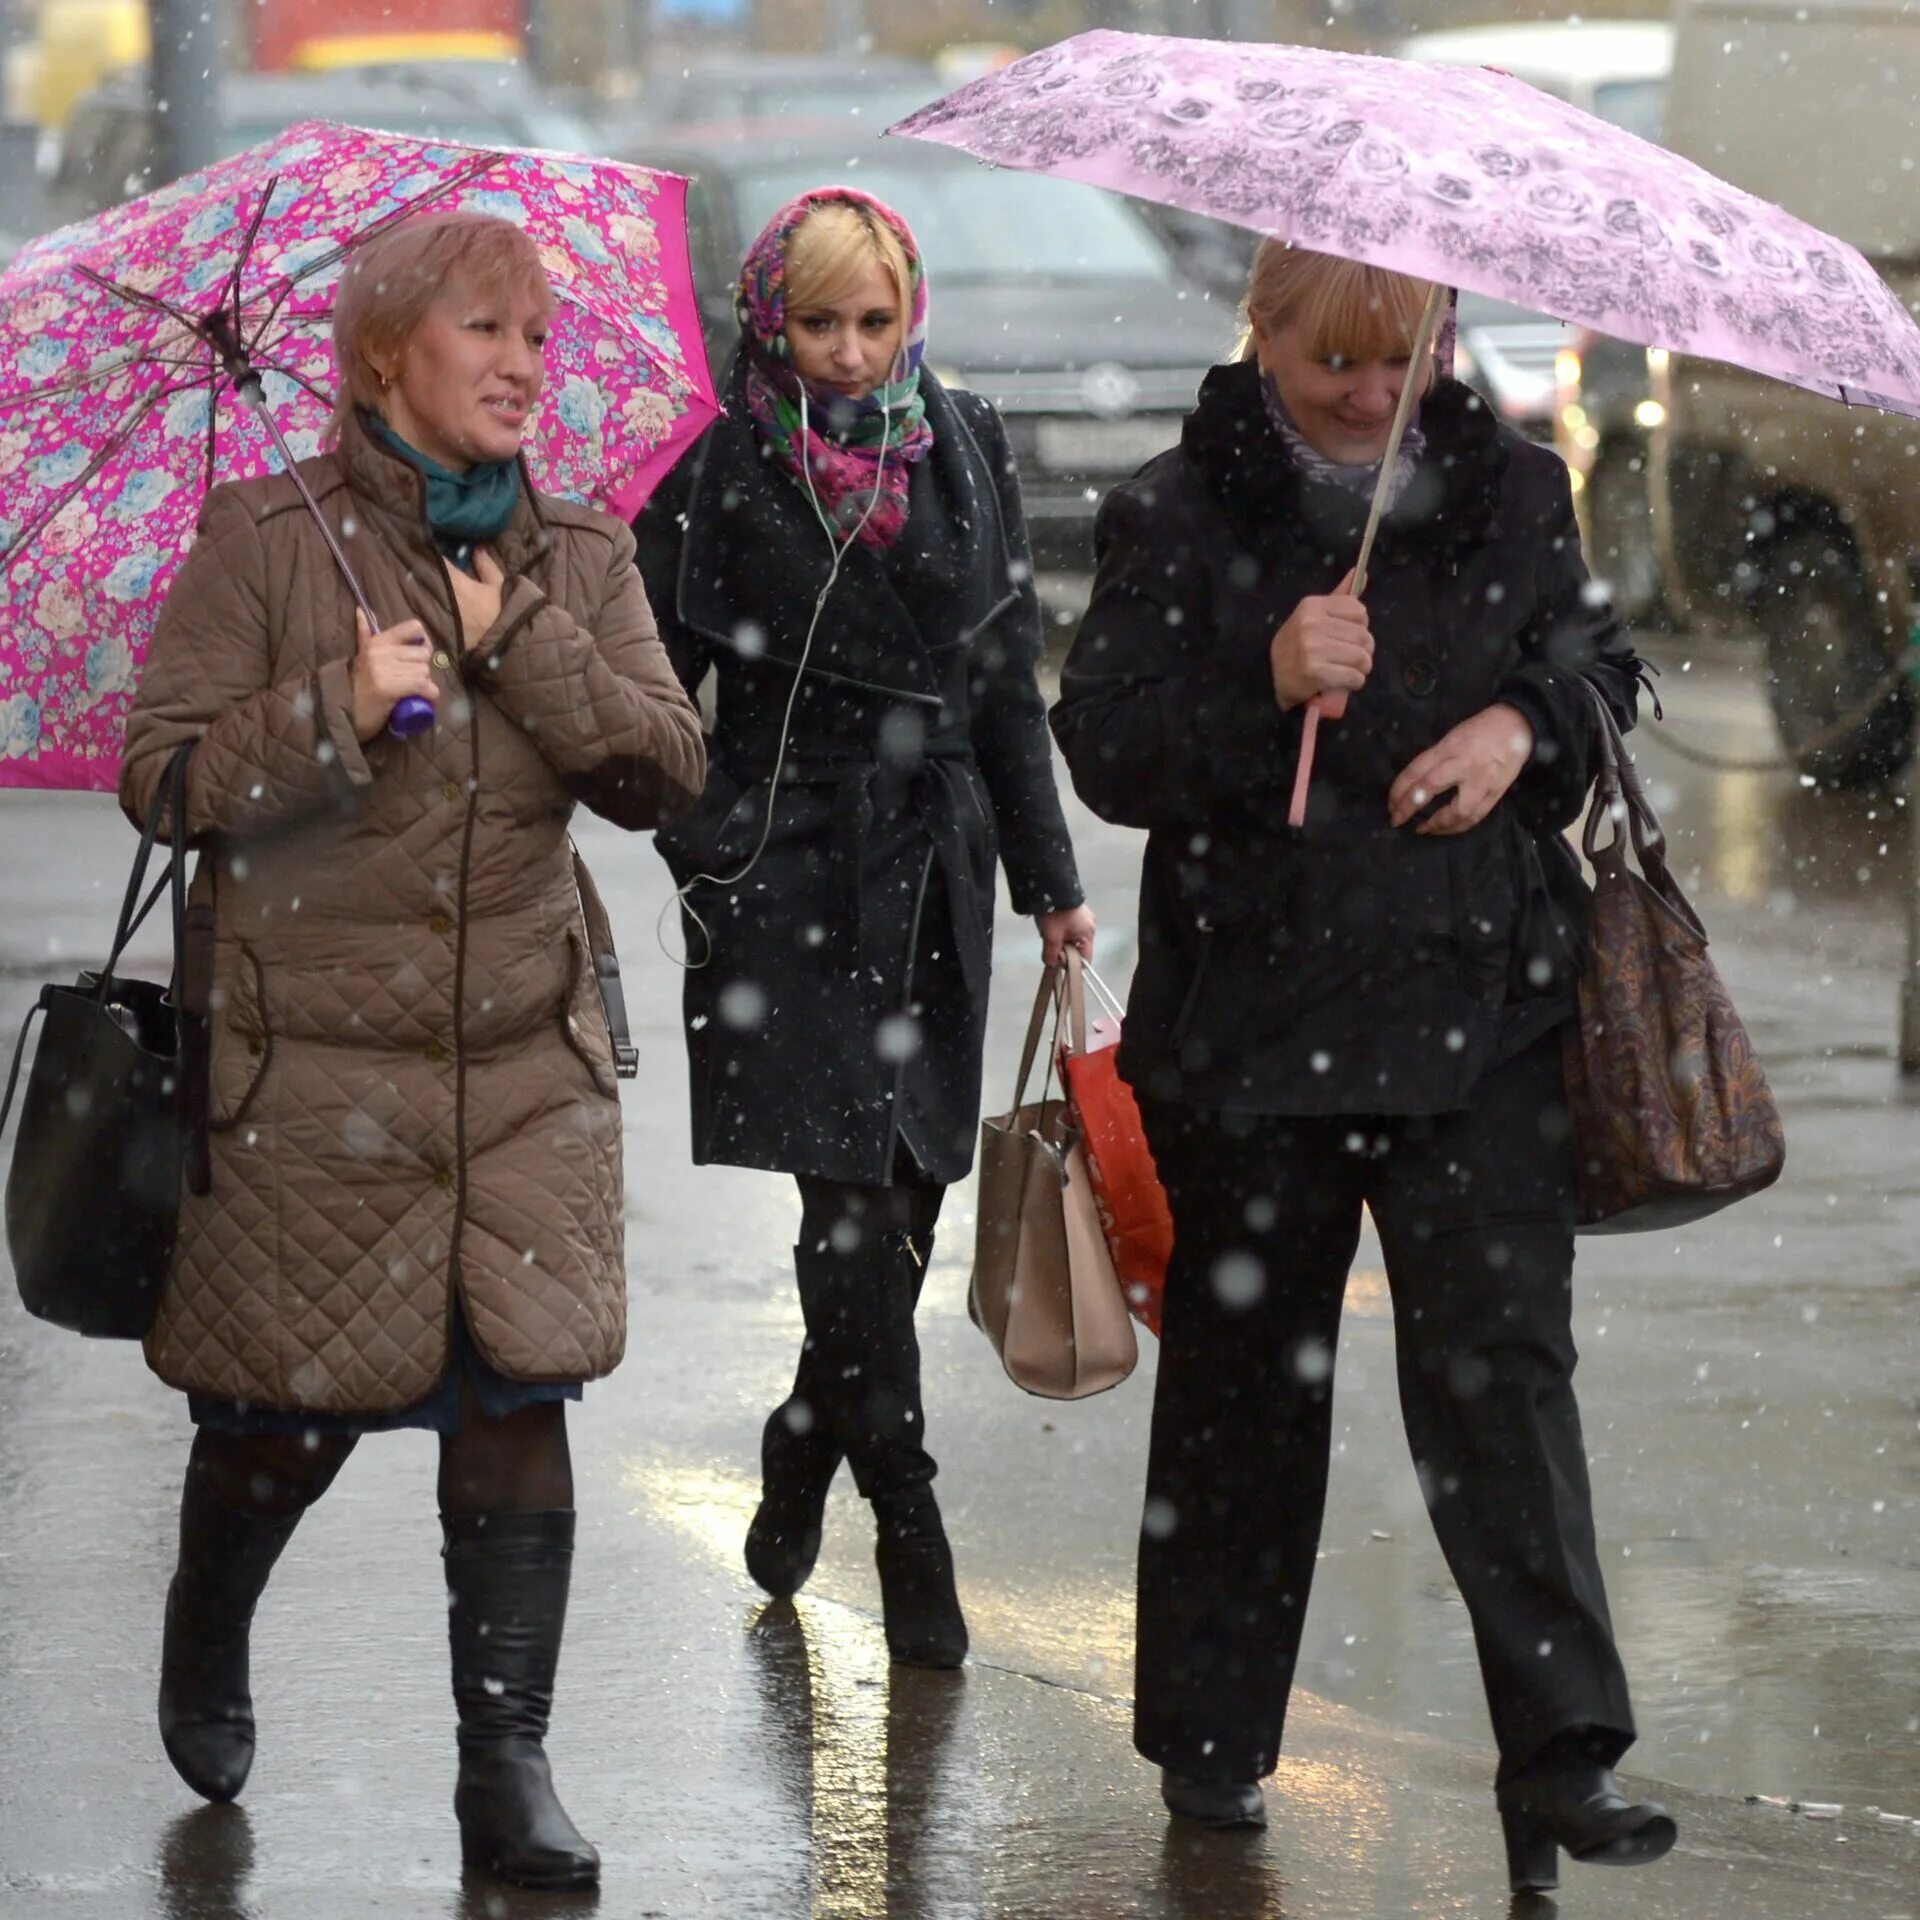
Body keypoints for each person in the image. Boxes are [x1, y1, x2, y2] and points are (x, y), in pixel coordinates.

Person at [1050, 240, 1674, 1896]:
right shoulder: (1176, 509)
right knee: (1249, 1398)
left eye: (1406, 357)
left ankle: (1564, 1759)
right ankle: (1210, 1738)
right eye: (1338, 360)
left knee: (1503, 1385)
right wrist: (1261, 687)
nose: (1374, 392)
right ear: (1265, 334)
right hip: (1250, 1035)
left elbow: (1611, 670)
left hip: (1484, 1020)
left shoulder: (1522, 488)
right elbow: (1106, 746)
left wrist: (1522, 729)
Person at [117, 211, 706, 1891]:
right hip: (310, 1081)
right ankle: (209, 1614)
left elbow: (666, 771)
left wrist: (518, 637)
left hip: (524, 1072)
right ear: (387, 356)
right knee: (281, 1427)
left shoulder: (581, 553)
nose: (525, 364)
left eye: (538, 335)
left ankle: (504, 1767)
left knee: (519, 1409)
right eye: (485, 331)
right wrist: (331, 711)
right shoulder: (264, 543)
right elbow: (161, 781)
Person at [634, 187, 1093, 1669]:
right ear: (772, 323)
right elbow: (638, 683)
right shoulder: (714, 471)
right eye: (818, 323)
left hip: (937, 868)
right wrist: (697, 824)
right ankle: (907, 1510)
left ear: (910, 315)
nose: (845, 351)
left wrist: (1053, 879)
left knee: (905, 1206)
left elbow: (1007, 675)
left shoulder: (963, 445)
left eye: (872, 320)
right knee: (842, 1205)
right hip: (791, 875)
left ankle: (805, 1432)